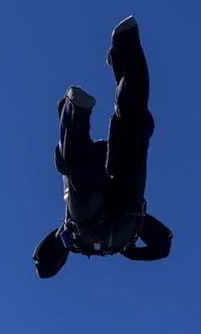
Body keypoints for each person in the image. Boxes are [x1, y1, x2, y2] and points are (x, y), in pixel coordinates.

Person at [34, 16, 172, 279]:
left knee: (131, 130)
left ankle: (125, 46)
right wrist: (134, 252)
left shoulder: (74, 239)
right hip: (113, 219)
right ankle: (74, 108)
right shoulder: (71, 238)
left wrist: (133, 252)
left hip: (123, 219)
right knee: (83, 163)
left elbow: (163, 245)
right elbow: (44, 264)